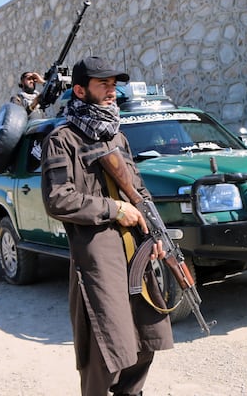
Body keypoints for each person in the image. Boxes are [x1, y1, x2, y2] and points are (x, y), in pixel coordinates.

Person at [40, 56, 174, 396]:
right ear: (80, 90)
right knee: (106, 345)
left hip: (135, 251)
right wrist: (114, 210)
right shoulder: (62, 139)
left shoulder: (117, 136)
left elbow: (138, 190)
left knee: (145, 335)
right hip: (97, 257)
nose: (112, 91)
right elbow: (58, 199)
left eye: (114, 85)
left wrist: (154, 234)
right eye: (104, 85)